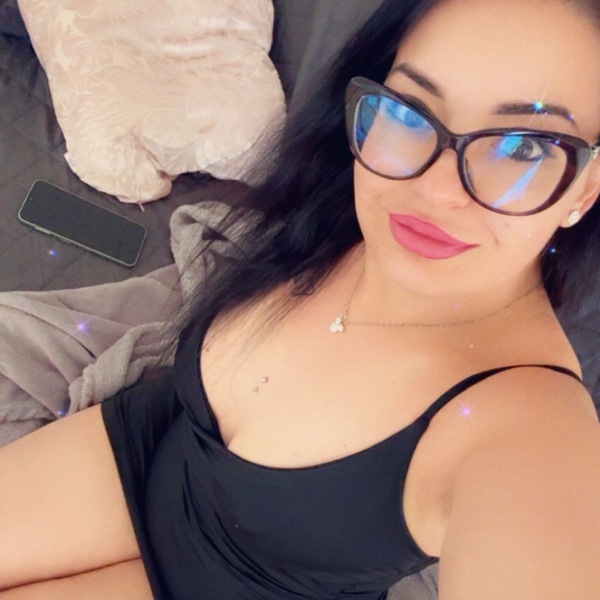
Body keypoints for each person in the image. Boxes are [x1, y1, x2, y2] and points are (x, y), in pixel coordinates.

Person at [2, 0, 600, 598]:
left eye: (525, 149)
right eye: (410, 109)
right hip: (150, 444)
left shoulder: (529, 431)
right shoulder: (341, 204)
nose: (435, 188)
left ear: (585, 188)